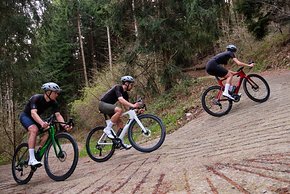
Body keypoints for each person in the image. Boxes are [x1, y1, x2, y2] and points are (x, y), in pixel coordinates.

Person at [19, 82, 72, 167]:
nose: (57, 94)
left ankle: (39, 152)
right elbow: (33, 113)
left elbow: (58, 115)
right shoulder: (36, 98)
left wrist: (64, 125)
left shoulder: (54, 102)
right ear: (48, 92)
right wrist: (42, 123)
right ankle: (31, 159)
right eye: (55, 92)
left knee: (50, 130)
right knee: (34, 130)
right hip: (26, 116)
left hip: (36, 118)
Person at [99, 76, 140, 149]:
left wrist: (137, 110)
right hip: (103, 104)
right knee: (119, 110)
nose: (132, 86)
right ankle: (107, 129)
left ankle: (120, 143)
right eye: (131, 84)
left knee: (120, 124)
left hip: (110, 106)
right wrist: (133, 105)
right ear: (126, 83)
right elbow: (120, 100)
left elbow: (128, 107)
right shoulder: (118, 88)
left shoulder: (125, 94)